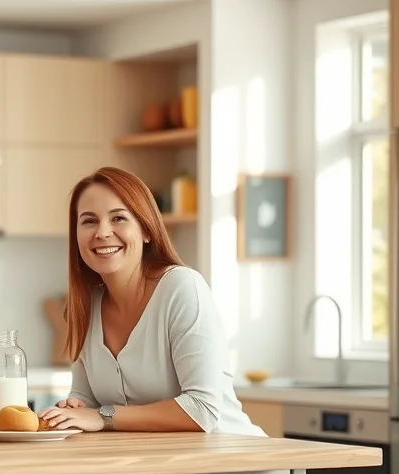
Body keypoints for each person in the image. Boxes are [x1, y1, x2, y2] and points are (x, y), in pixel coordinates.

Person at [38, 166, 264, 436]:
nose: (102, 232)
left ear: (146, 230)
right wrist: (74, 409)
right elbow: (86, 399)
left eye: (118, 218)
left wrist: (102, 416)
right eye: (89, 221)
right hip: (160, 465)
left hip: (235, 463)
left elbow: (201, 408)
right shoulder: (83, 305)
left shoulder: (181, 287)